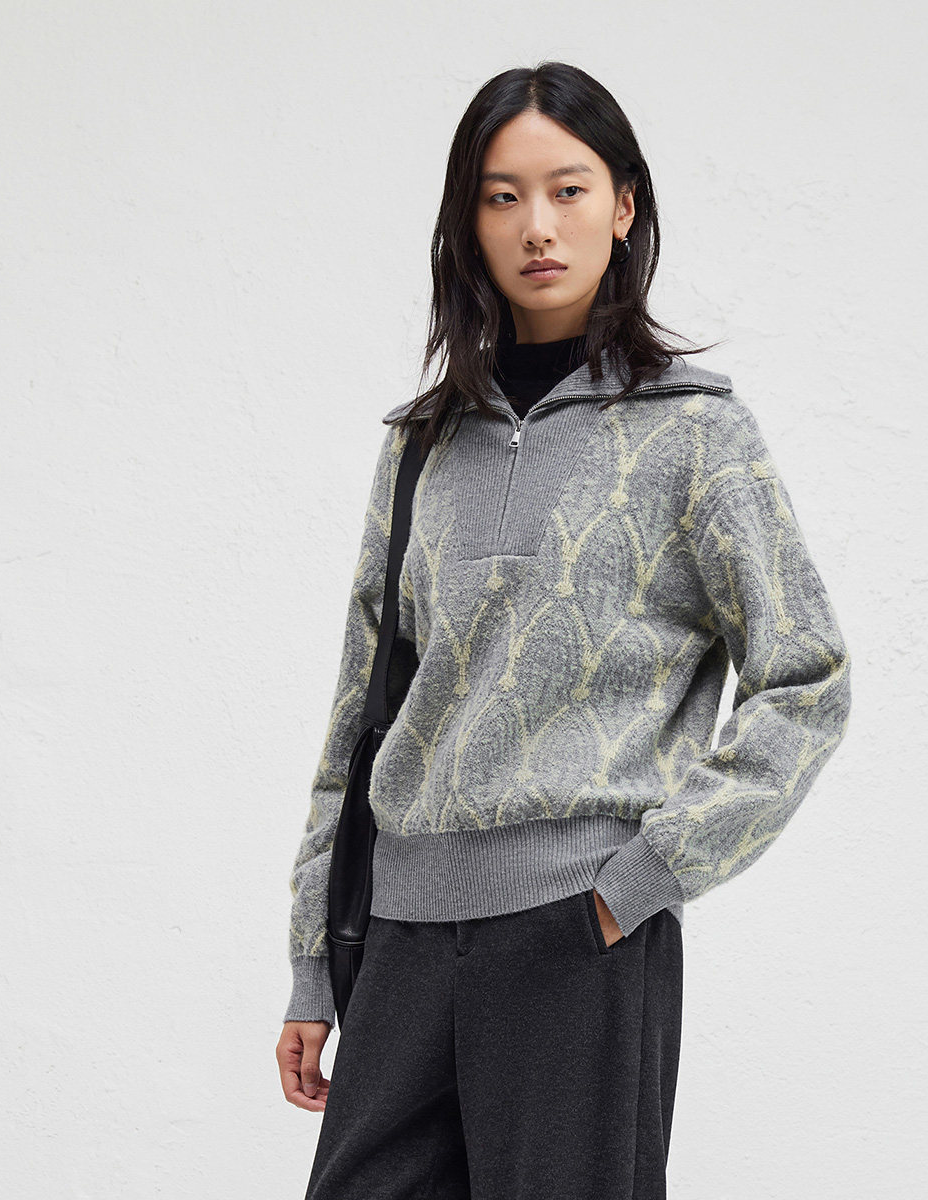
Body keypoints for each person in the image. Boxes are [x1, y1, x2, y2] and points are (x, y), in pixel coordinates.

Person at [275, 60, 853, 1200]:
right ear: (469, 222)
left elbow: (807, 679)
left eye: (568, 189)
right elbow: (361, 711)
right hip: (399, 939)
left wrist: (643, 878)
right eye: (502, 197)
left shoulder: (695, 435)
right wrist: (313, 960)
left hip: (576, 934)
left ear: (623, 206)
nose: (537, 225)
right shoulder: (420, 446)